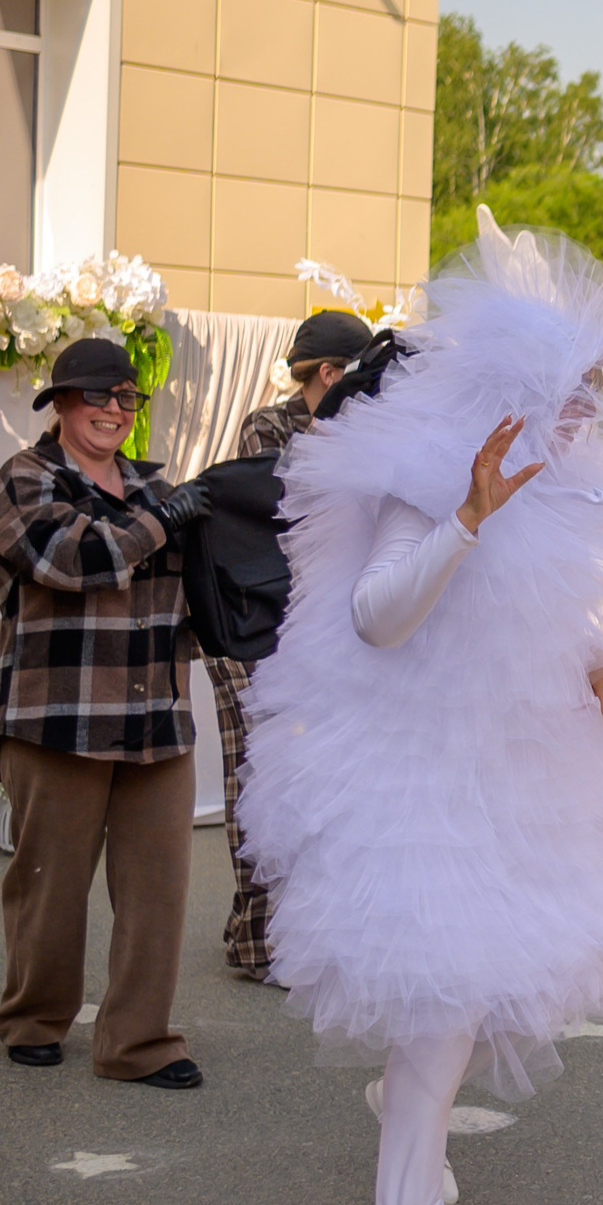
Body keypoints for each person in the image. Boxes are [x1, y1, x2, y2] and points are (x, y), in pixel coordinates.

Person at [237, 211, 603, 1205]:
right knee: (444, 994)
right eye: (575, 384)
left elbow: (539, 605)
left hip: (506, 771)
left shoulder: (556, 480)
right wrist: (465, 516)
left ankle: (407, 1134)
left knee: (474, 992)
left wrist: (596, 662)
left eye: (595, 384)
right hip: (413, 771)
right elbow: (378, 616)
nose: (589, 405)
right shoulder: (430, 469)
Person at [0, 337, 211, 1087]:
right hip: (56, 722)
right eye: (97, 395)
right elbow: (70, 561)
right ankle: (35, 1019)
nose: (114, 408)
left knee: (159, 894)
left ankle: (137, 1043)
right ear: (61, 404)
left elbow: (191, 607)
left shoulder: (157, 490)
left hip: (158, 724)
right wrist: (165, 522)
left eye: (126, 397)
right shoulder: (24, 480)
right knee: (50, 881)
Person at [204, 307, 373, 979]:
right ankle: (255, 938)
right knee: (258, 774)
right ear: (329, 374)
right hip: (249, 626)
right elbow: (293, 508)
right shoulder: (268, 428)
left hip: (313, 627)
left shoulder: (360, 429)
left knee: (321, 779)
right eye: (361, 375)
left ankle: (305, 929)